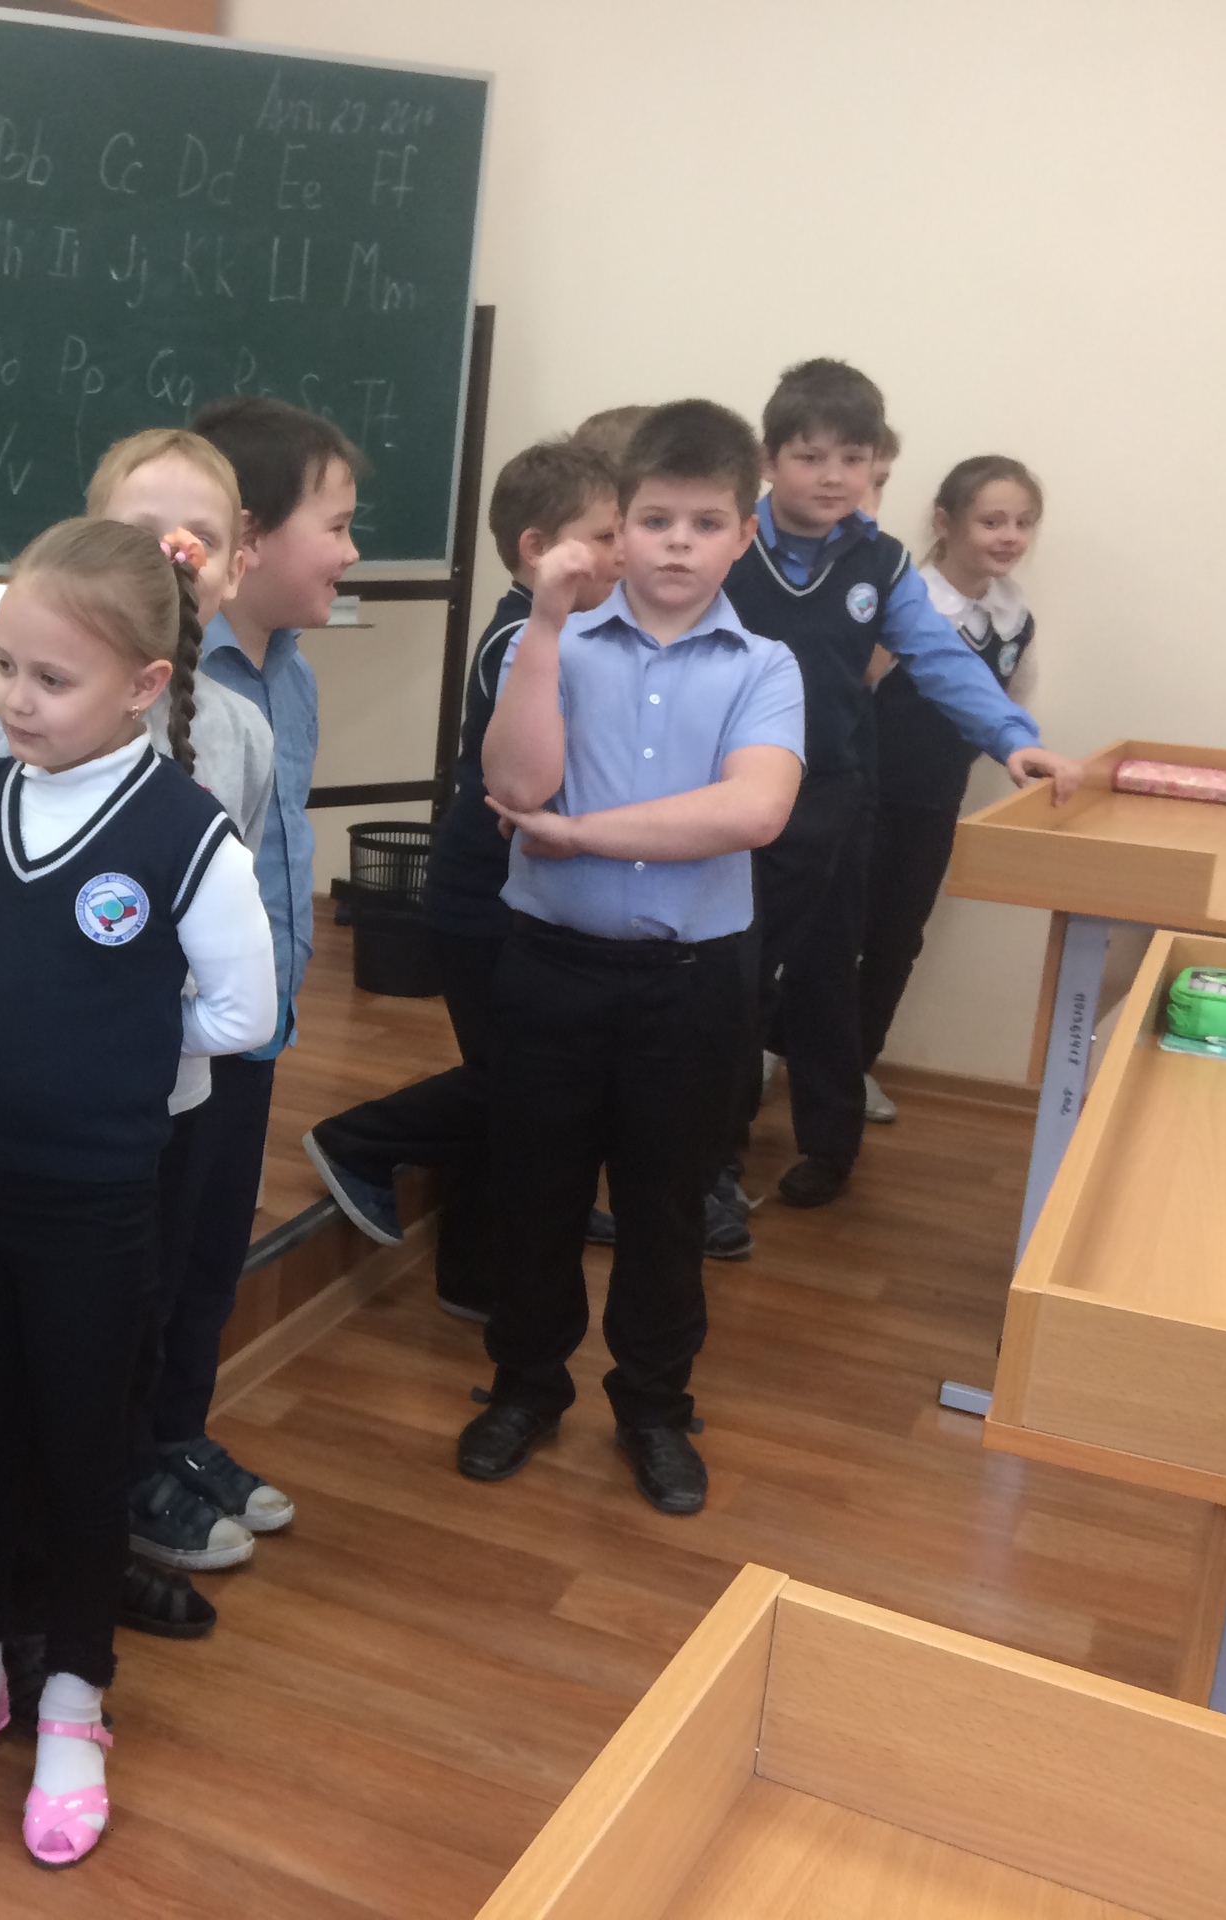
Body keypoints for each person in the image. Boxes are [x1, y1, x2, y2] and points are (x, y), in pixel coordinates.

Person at [0, 518, 276, 1867]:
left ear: (144, 685)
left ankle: (73, 1701)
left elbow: (242, 1012)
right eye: (5, 668)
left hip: (94, 1208)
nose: (17, 699)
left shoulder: (185, 834)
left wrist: (120, 1043)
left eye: (53, 679)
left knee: (82, 1452)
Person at [460, 401, 805, 1516]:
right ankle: (525, 1385)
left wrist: (582, 834)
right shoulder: (549, 643)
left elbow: (751, 811)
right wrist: (545, 621)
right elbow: (516, 785)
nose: (675, 545)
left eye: (705, 524)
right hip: (549, 968)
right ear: (620, 523)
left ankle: (654, 1406)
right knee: (534, 1195)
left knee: (665, 1209)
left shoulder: (766, 667)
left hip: (691, 986)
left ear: (743, 534)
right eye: (653, 520)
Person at [0, 430, 277, 1646]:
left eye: (194, 543)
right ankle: (36, 1581)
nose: (169, 559)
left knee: (135, 1329)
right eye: (141, 536)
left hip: (174, 1100)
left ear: (231, 569)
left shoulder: (238, 735)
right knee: (47, 1351)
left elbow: (232, 950)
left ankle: (104, 1541)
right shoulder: (27, 727)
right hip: (54, 1122)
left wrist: (166, 1043)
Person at [717, 360, 1077, 1209]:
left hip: (835, 802)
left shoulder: (880, 562)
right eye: (810, 457)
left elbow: (942, 657)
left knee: (825, 980)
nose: (832, 476)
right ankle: (715, 1152)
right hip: (729, 804)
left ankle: (830, 1148)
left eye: (853, 458)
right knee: (730, 980)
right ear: (769, 460)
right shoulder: (727, 544)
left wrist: (1013, 739)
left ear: (876, 464)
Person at [300, 437, 638, 1312]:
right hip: (482, 902)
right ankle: (359, 1142)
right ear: (537, 548)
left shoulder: (566, 630)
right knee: (512, 1081)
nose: (623, 553)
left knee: (523, 1082)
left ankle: (484, 1267)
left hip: (510, 902)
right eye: (605, 536)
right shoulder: (523, 639)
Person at [118, 394, 359, 1563]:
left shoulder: (286, 682)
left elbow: (272, 846)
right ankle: (129, 1467)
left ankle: (176, 1434)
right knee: (151, 1262)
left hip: (251, 1029)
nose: (352, 553)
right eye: (338, 525)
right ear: (248, 544)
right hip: (163, 1047)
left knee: (211, 1255)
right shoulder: (141, 688)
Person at [858, 456, 1047, 1122]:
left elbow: (1010, 701)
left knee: (897, 938)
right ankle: (772, 1044)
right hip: (864, 798)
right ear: (945, 522)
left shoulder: (1013, 614)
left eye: (1023, 522)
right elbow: (857, 687)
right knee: (829, 930)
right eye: (991, 521)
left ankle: (855, 1062)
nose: (1009, 536)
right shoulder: (907, 600)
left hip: (936, 801)